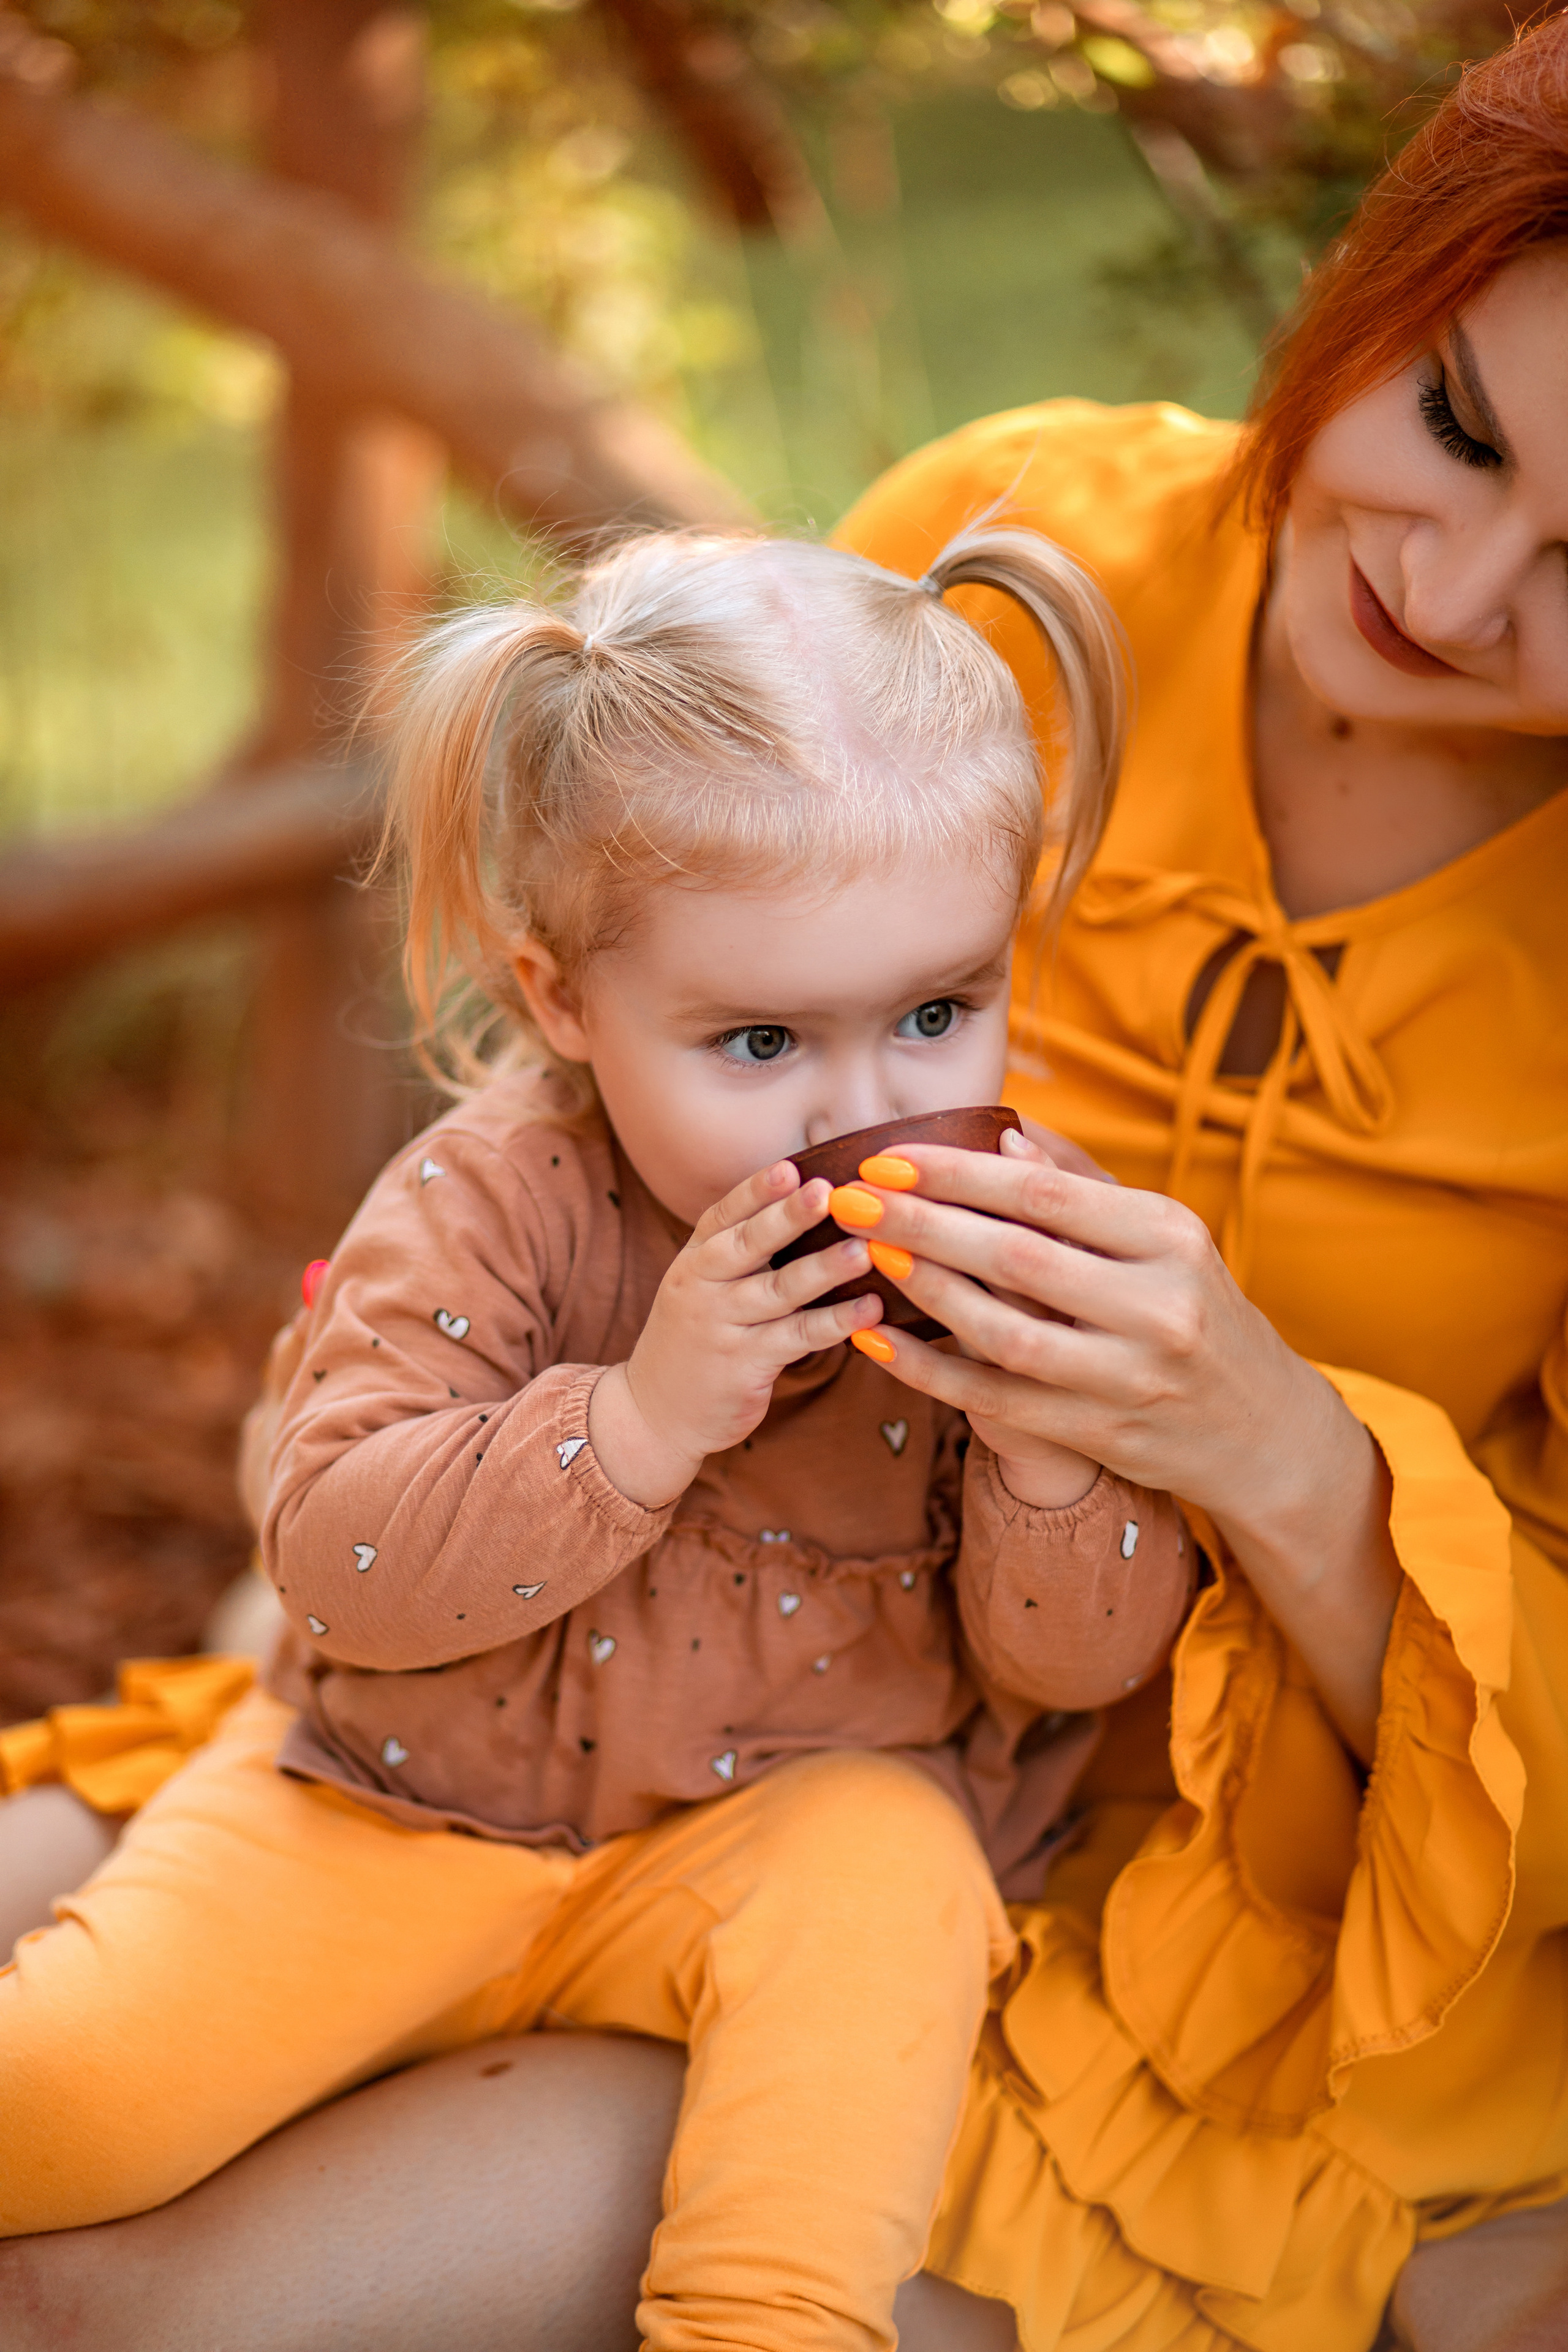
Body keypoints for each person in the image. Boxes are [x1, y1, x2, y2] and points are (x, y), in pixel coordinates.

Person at [5, 15, 1568, 2349]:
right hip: (508, 1659)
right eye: (1453, 427)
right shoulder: (1014, 558)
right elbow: (647, 941)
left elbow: (1088, 1643)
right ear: (1380, 277)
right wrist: (385, 1514)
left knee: (115, 2303)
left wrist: (1234, 1437)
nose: (1459, 589)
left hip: (1091, 1860)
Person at [0, 522, 1194, 2350]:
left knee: (895, 1861)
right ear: (563, 998)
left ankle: (772, 2323)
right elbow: (335, 1560)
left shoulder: (1023, 1236)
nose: (867, 1110)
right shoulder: (493, 1203)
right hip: (405, 1807)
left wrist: (1049, 1452)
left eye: (941, 1013)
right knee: (60, 2113)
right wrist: (637, 1423)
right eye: (762, 1041)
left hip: (769, 1836)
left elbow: (1086, 1662)